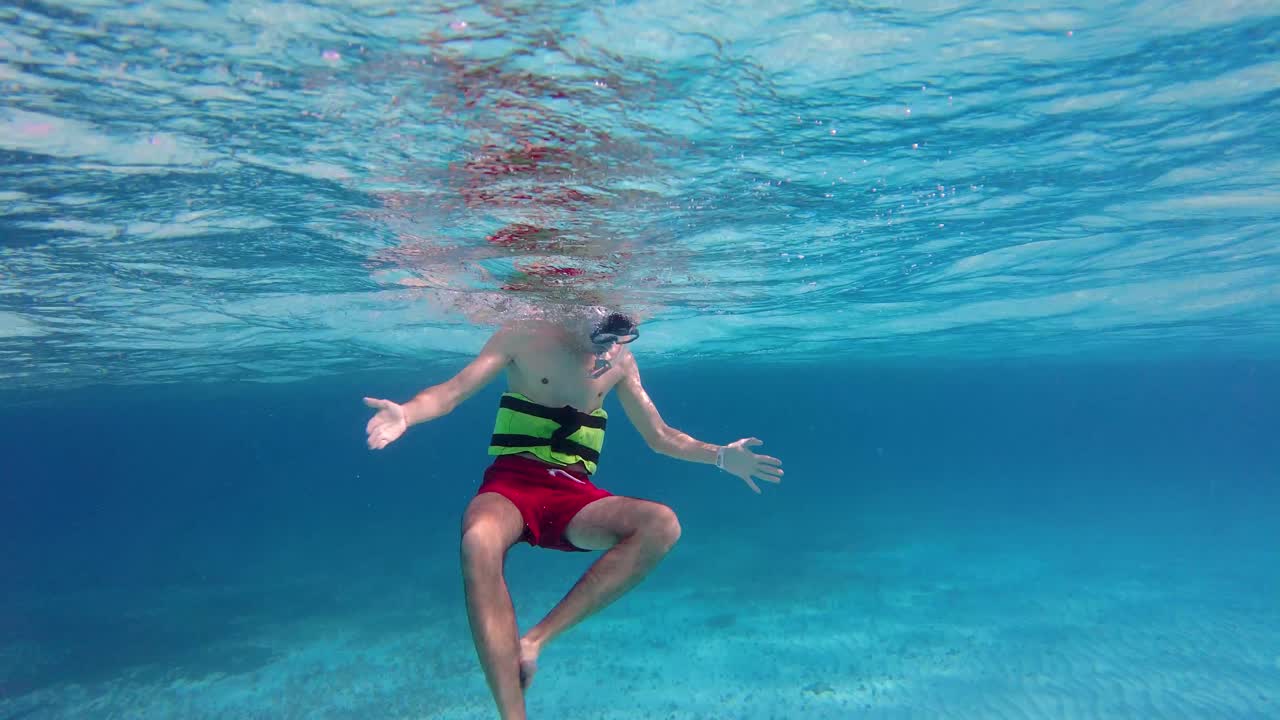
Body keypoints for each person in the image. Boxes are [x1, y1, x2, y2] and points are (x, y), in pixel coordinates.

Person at [363, 309, 783, 720]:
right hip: (511, 485)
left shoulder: (619, 360)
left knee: (662, 524)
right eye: (602, 339)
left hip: (574, 494)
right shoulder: (523, 336)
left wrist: (721, 457)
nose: (607, 351)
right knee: (477, 541)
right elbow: (451, 392)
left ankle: (535, 641)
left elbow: (661, 436)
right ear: (576, 321)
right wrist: (407, 414)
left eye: (619, 340)